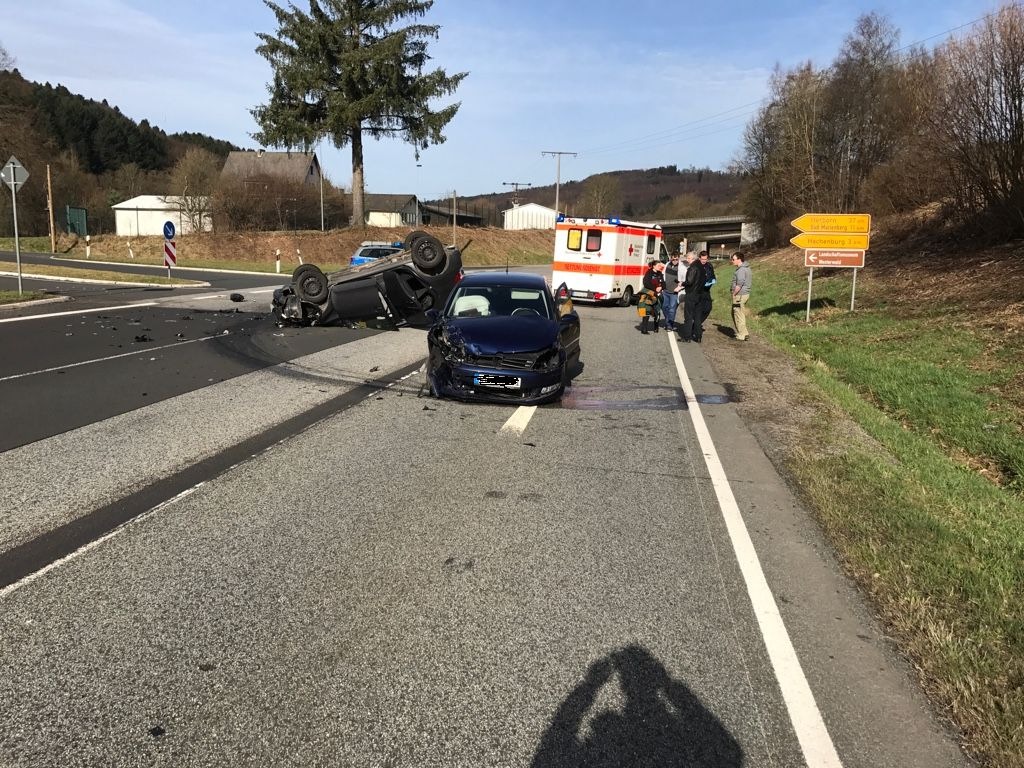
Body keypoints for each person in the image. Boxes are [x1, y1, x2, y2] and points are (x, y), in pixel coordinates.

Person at [678, 252, 703, 342]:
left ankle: (686, 337)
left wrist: (682, 283)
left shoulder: (692, 268)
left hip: (691, 294)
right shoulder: (701, 267)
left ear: (692, 258)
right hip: (700, 294)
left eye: (688, 258)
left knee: (688, 316)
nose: (687, 260)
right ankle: (698, 336)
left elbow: (689, 281)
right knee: (697, 317)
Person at [637, 259, 663, 334]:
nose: (660, 267)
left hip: (658, 295)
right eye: (658, 266)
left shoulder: (660, 274)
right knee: (647, 311)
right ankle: (644, 329)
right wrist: (655, 289)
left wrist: (661, 287)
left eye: (660, 266)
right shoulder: (649, 273)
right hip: (649, 294)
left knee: (657, 311)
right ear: (654, 266)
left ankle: (656, 327)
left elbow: (663, 283)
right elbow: (646, 283)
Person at [730, 251, 752, 341]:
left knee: (738, 314)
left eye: (733, 259)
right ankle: (745, 333)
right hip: (744, 294)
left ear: (739, 259)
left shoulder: (741, 270)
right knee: (739, 313)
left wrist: (734, 293)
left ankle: (741, 335)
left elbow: (739, 284)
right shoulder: (746, 268)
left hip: (740, 295)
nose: (732, 261)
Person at [660, 252, 684, 331]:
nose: (675, 261)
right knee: (664, 307)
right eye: (673, 259)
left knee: (672, 309)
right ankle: (668, 321)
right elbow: (662, 275)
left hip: (674, 293)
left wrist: (679, 287)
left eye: (676, 259)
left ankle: (669, 325)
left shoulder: (681, 268)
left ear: (679, 259)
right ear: (670, 258)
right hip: (665, 291)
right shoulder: (667, 265)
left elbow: (685, 279)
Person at [696, 250, 717, 333]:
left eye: (705, 259)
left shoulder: (709, 265)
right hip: (698, 291)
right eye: (702, 259)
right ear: (699, 258)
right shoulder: (696, 266)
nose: (704, 261)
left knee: (708, 308)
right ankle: (696, 325)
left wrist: (713, 280)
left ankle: (697, 323)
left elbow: (712, 275)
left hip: (707, 290)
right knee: (699, 309)